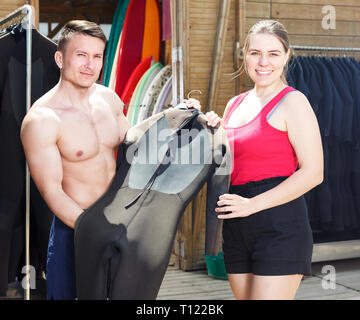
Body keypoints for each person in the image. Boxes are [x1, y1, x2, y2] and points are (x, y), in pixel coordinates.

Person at [20, 20, 203, 300]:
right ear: (60, 58)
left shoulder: (109, 99)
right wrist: (93, 230)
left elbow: (135, 144)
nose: (89, 65)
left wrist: (181, 116)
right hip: (77, 230)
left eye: (96, 56)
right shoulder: (42, 119)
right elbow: (52, 191)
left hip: (119, 224)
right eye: (80, 55)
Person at [212, 20, 324, 300]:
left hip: (279, 226)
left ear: (286, 56)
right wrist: (207, 128)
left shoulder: (293, 102)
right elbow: (227, 164)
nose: (263, 62)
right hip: (236, 227)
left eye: (273, 54)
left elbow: (313, 173)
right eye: (255, 53)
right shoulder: (234, 104)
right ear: (245, 56)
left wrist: (253, 205)